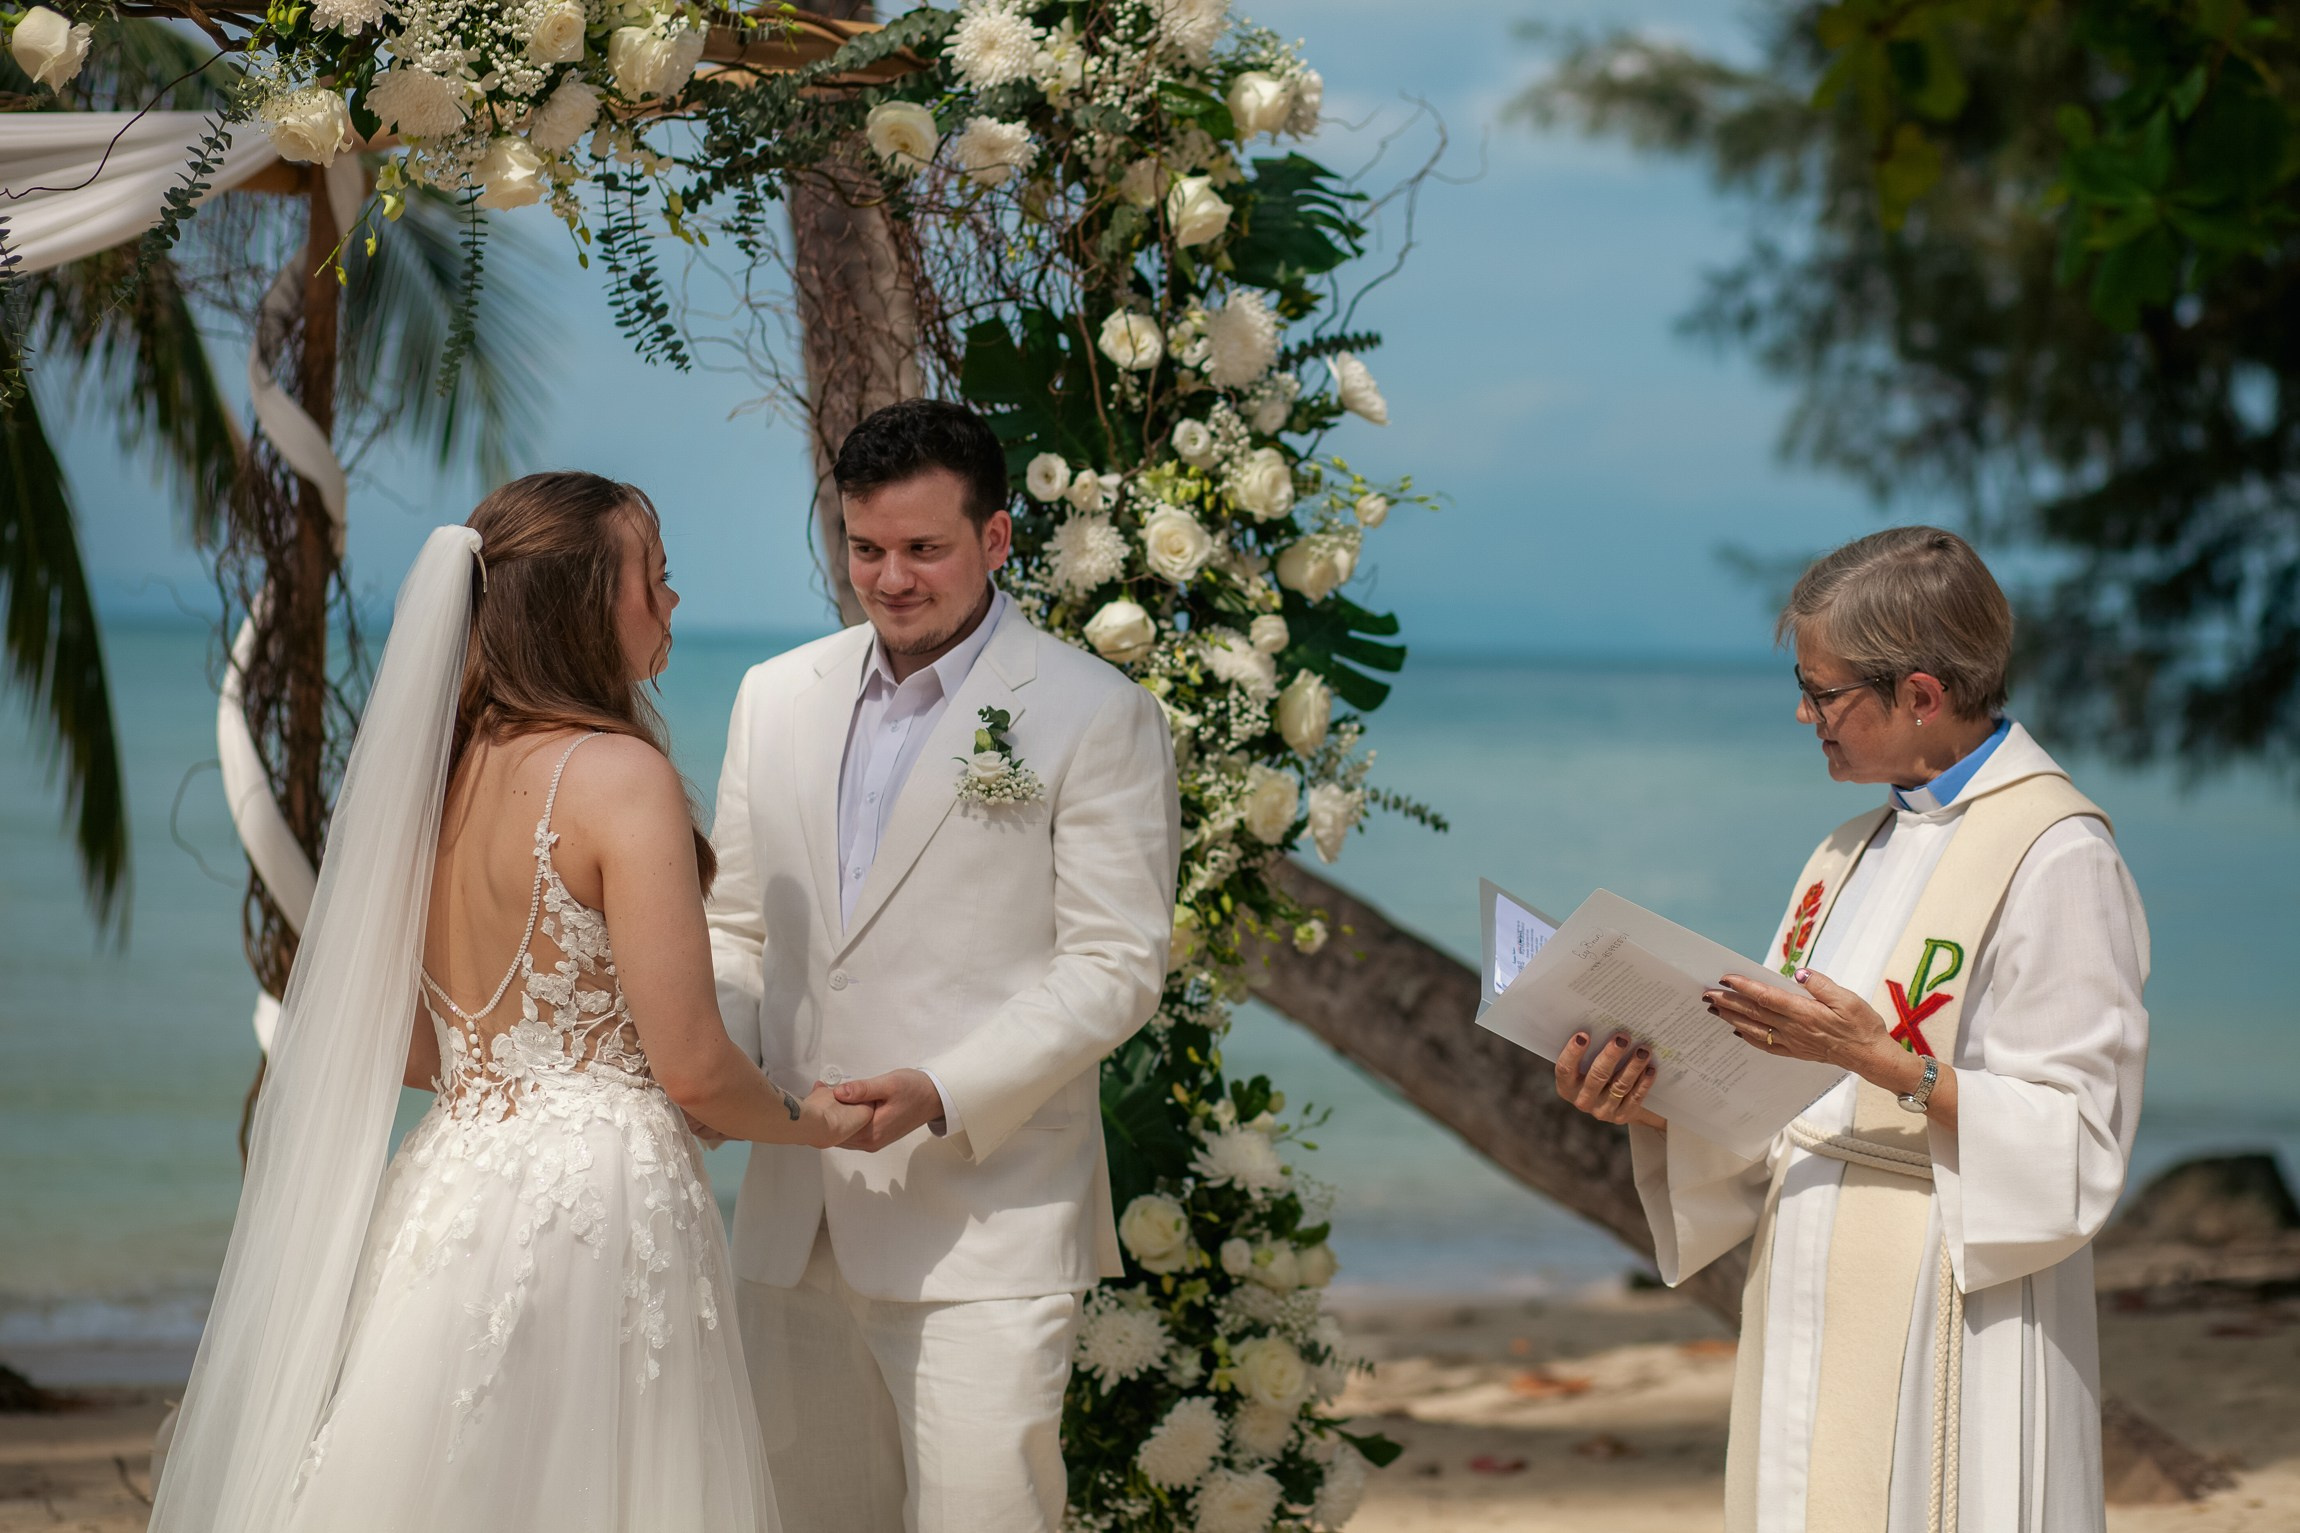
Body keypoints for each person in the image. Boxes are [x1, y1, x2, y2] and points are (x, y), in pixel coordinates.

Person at [149, 474, 868, 1533]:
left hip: (453, 1178)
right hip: (598, 1201)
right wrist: (819, 1124)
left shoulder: (435, 777)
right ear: (585, 602)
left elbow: (396, 1047)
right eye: (656, 578)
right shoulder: (621, 777)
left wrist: (531, 1076)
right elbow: (693, 1067)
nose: (673, 603)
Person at [1556, 526, 2149, 1532]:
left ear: (1918, 695)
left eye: (1821, 693)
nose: (1802, 714)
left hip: (1946, 1284)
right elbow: (1783, 1101)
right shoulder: (1844, 851)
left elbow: (2077, 1132)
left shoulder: (2055, 856)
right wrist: (1652, 1106)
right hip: (1805, 1272)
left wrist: (1880, 1061)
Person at [705, 399, 1183, 1533]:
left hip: (985, 1218)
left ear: (997, 539)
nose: (892, 578)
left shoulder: (1095, 715)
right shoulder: (772, 697)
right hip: (792, 1216)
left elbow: (1115, 966)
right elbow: (734, 929)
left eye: (924, 549)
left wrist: (941, 1089)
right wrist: (714, 1066)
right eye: (866, 549)